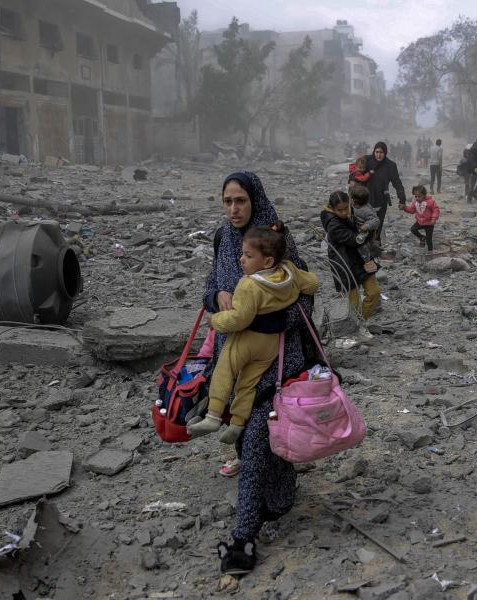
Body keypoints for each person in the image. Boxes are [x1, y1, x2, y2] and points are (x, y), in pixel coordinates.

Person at [202, 171, 316, 576]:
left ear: (256, 201)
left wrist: (262, 317)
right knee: (258, 446)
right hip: (232, 361)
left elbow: (304, 299)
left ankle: (242, 539)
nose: (234, 209)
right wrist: (218, 297)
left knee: (253, 446)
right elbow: (209, 290)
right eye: (228, 201)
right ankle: (279, 497)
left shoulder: (274, 240)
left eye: (241, 201)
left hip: (276, 363)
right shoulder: (222, 239)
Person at [189, 223, 319, 444]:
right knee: (249, 382)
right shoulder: (289, 271)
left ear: (267, 261)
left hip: (246, 340)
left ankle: (213, 415)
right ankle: (238, 423)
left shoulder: (249, 285)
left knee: (225, 369)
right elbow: (313, 283)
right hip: (270, 345)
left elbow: (240, 319)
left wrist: (215, 320)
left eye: (248, 256)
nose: (241, 259)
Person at [322, 190, 380, 327]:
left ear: (350, 203)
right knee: (353, 302)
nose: (343, 213)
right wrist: (366, 231)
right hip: (344, 264)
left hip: (361, 258)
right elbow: (354, 240)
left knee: (374, 292)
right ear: (332, 208)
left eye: (346, 208)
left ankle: (359, 322)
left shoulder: (354, 212)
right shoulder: (333, 224)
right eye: (339, 210)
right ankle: (354, 328)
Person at [363, 141, 407, 247]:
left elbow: (397, 183)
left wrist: (402, 199)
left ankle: (376, 245)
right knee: (364, 224)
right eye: (377, 152)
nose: (378, 155)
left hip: (381, 199)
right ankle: (364, 245)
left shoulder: (390, 166)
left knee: (378, 223)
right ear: (373, 151)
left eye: (381, 152)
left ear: (385, 153)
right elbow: (355, 173)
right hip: (364, 199)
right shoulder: (366, 160)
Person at [401, 184, 440, 251]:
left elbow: (436, 210)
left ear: (424, 195)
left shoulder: (430, 201)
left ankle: (430, 252)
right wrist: (404, 208)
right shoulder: (415, 202)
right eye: (415, 196)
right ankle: (422, 237)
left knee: (429, 240)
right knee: (413, 229)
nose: (417, 198)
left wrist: (433, 219)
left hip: (429, 223)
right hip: (420, 222)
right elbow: (412, 210)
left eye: (419, 196)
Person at [349, 184, 380, 269]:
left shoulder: (366, 209)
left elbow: (376, 220)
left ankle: (368, 263)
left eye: (354, 199)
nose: (352, 200)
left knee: (363, 248)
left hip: (365, 233)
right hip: (356, 231)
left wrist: (366, 226)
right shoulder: (353, 206)